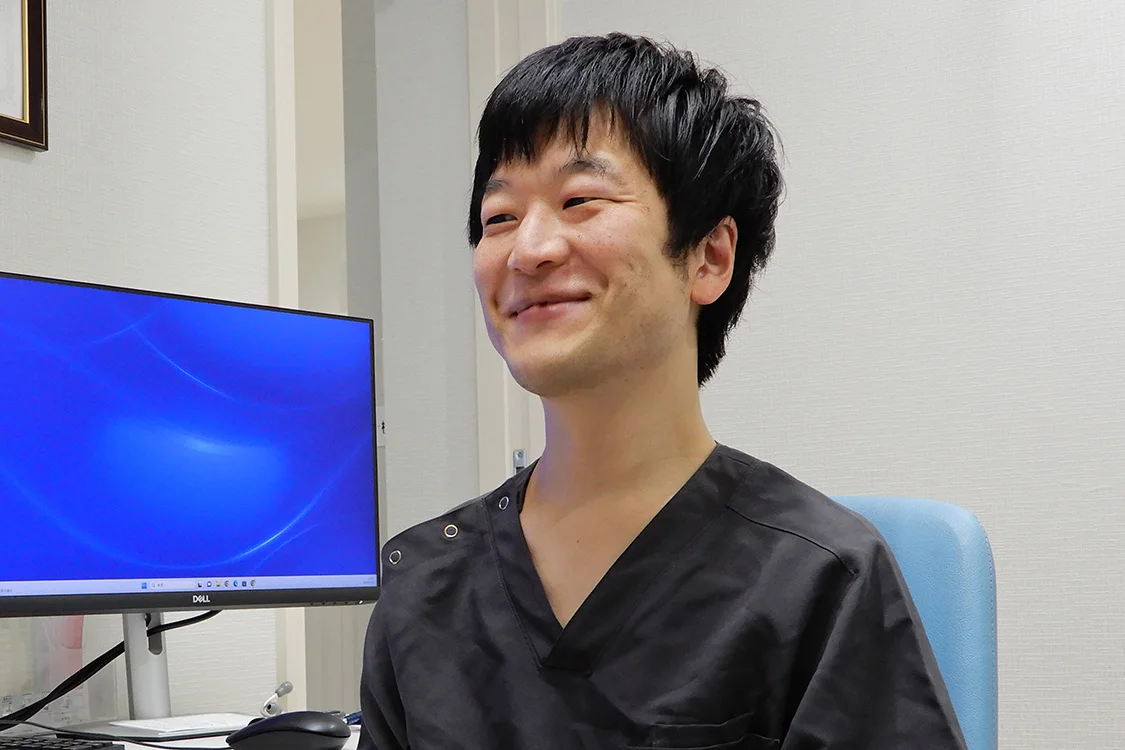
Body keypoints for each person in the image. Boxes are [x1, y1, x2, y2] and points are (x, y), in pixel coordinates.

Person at [359, 32, 967, 750]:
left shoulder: (818, 581)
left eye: (580, 199)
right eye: (499, 217)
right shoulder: (423, 586)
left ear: (708, 257)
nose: (528, 249)